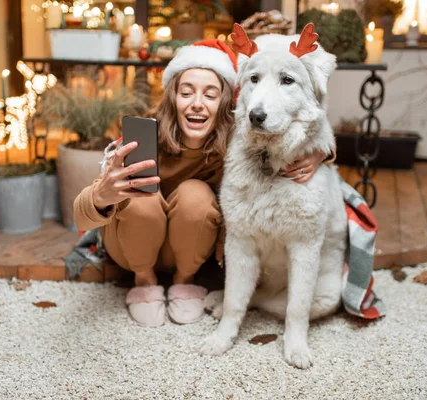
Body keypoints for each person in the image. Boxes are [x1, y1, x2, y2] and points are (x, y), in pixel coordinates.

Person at [73, 39, 333, 327]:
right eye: (186, 92)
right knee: (141, 196)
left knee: (194, 195)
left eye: (210, 95)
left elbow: (298, 134)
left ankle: (184, 283)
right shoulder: (143, 136)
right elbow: (80, 214)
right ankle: (144, 282)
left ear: (225, 101)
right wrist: (101, 195)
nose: (197, 104)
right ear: (173, 97)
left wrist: (323, 152)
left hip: (187, 252)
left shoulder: (238, 143)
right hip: (130, 248)